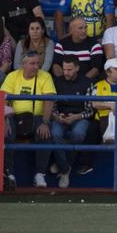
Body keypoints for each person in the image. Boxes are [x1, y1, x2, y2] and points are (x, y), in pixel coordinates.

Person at [0, 48, 56, 186]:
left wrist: (45, 121)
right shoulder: (13, 76)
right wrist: (4, 120)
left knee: (45, 135)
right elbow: (3, 100)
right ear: (23, 64)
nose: (36, 67)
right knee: (6, 135)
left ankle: (39, 174)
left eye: (38, 63)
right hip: (13, 115)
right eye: (32, 63)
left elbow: (49, 100)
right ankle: (9, 174)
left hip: (37, 116)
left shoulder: (45, 76)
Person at [47, 55, 94, 186]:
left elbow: (90, 110)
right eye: (64, 69)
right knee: (55, 133)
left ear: (77, 68)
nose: (66, 72)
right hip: (60, 117)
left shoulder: (87, 82)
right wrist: (57, 116)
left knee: (78, 133)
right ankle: (65, 168)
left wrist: (77, 117)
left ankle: (63, 165)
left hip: (79, 118)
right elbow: (52, 105)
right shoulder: (56, 81)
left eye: (70, 70)